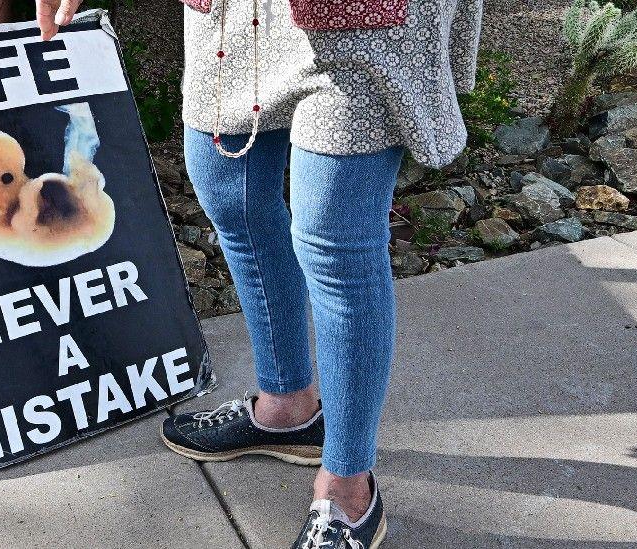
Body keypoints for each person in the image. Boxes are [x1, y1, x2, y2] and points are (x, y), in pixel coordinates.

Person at [38, 0, 482, 546]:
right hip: (235, 14)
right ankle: (286, 408)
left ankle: (347, 485)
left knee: (334, 241)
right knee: (229, 195)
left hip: (360, 25)